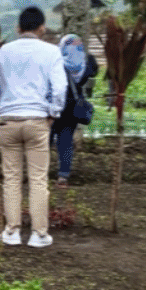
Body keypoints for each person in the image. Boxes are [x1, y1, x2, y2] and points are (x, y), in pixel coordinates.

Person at [0, 6, 65, 248]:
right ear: (42, 28)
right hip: (37, 119)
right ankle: (38, 234)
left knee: (11, 178)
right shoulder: (52, 51)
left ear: (18, 28)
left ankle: (11, 231)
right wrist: (53, 112)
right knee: (38, 178)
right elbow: (60, 88)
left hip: (8, 118)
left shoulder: (3, 51)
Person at [49, 33, 97, 188]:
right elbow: (93, 75)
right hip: (73, 110)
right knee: (65, 142)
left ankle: (39, 171)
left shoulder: (56, 60)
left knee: (45, 141)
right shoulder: (87, 61)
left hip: (54, 107)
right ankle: (63, 176)